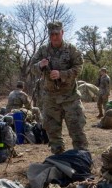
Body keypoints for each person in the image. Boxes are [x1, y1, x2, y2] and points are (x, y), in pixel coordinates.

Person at [31, 21, 88, 155]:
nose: (54, 37)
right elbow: (32, 69)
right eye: (51, 34)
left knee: (77, 129)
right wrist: (40, 65)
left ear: (62, 33)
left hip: (70, 97)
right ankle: (58, 160)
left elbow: (78, 68)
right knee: (53, 132)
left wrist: (62, 74)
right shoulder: (43, 50)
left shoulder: (71, 49)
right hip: (50, 98)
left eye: (57, 34)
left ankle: (82, 159)